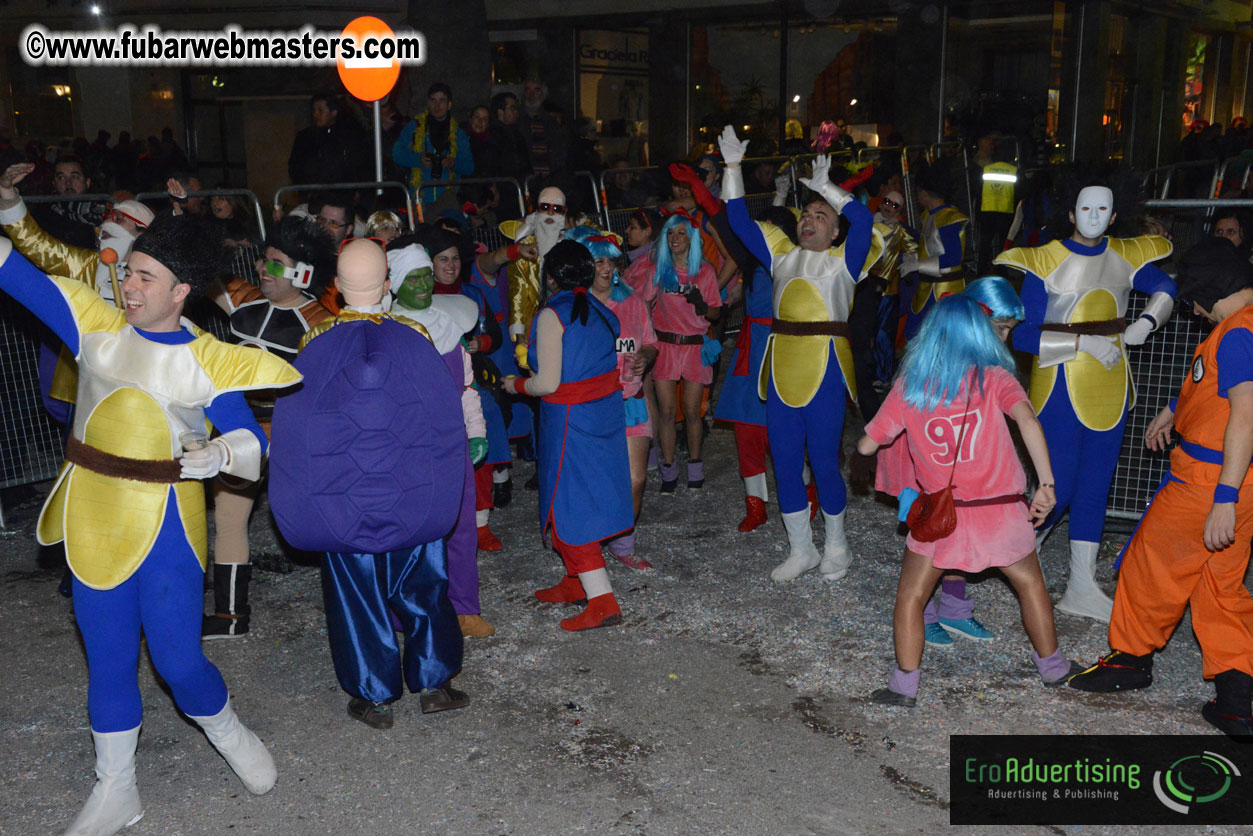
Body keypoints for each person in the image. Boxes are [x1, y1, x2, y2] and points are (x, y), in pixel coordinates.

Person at [0, 216, 294, 834]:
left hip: (169, 526)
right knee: (106, 659)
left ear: (180, 290)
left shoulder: (209, 359)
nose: (127, 286)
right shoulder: (95, 326)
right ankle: (116, 787)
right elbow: (18, 274)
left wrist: (222, 454)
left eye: (144, 277)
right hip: (93, 515)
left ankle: (229, 732)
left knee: (178, 662)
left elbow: (250, 439)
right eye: (128, 272)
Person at [273, 238, 470, 729]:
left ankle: (374, 693)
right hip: (411, 498)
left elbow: (299, 430)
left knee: (357, 594)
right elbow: (443, 422)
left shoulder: (313, 346)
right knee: (424, 585)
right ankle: (434, 682)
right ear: (387, 285)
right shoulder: (416, 338)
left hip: (344, 502)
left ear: (336, 289)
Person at [1067, 237, 1253, 738]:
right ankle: (1238, 700)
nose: (1191, 308)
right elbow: (1216, 387)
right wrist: (1177, 409)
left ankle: (1130, 660)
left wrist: (1223, 499)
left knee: (1150, 563)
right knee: (1220, 585)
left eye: (1193, 297)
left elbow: (1244, 417)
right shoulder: (1244, 327)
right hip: (1239, 478)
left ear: (1212, 289)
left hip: (1209, 480)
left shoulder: (1237, 333)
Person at [859, 294, 1078, 707]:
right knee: (1031, 585)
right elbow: (1028, 421)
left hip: (941, 518)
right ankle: (1053, 667)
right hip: (1001, 512)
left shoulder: (910, 388)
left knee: (911, 597)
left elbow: (869, 445)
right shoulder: (994, 377)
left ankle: (904, 686)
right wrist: (1046, 485)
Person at [994, 179, 1177, 622]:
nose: (1094, 217)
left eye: (1103, 210)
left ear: (1114, 216)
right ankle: (1016, 554)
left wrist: (1148, 321)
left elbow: (1167, 285)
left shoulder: (1126, 255)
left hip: (1112, 385)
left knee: (1097, 484)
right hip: (1059, 384)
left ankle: (1081, 584)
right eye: (1086, 209)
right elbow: (1021, 332)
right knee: (1060, 484)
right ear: (1071, 214)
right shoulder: (1045, 259)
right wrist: (1080, 346)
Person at [720, 125, 880, 583]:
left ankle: (837, 545)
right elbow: (737, 220)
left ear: (834, 234)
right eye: (806, 213)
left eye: (821, 216)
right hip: (782, 369)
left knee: (825, 461)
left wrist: (828, 187)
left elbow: (865, 222)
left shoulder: (846, 261)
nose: (810, 219)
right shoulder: (780, 254)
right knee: (786, 461)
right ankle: (800, 548)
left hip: (827, 368)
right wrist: (733, 168)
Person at [201, 215, 335, 639]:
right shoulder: (244, 300)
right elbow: (196, 269)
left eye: (275, 264)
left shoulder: (320, 322)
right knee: (228, 516)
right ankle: (231, 616)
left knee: (325, 517)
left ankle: (355, 599)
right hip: (241, 427)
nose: (262, 269)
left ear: (304, 273)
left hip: (294, 430)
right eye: (263, 260)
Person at [876, 277, 1026, 648]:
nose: (1005, 338)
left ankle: (954, 610)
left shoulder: (986, 366)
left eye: (1009, 330)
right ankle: (925, 616)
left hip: (956, 468)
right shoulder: (935, 353)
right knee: (934, 532)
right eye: (1000, 328)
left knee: (961, 527)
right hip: (923, 463)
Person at [507, 240, 632, 631]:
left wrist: (513, 385)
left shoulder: (551, 315)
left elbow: (546, 382)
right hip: (604, 415)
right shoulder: (601, 309)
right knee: (591, 495)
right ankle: (574, 581)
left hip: (570, 421)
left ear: (549, 276)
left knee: (570, 504)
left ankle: (602, 599)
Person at [387, 238, 497, 638]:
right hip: (409, 449)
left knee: (462, 528)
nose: (422, 286)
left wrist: (477, 432)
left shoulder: (451, 324)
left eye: (426, 277)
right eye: (413, 278)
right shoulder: (387, 332)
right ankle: (405, 612)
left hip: (453, 445)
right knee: (410, 532)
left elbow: (466, 387)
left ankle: (465, 607)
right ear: (396, 283)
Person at [567, 225, 658, 569]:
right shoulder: (573, 306)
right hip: (591, 408)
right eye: (597, 261)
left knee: (635, 478)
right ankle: (590, 549)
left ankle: (623, 543)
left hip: (630, 403)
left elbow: (650, 343)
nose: (606, 268)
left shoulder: (631, 302)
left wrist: (645, 358)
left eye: (610, 261)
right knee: (595, 480)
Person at [638, 213, 721, 493]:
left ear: (691, 238)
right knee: (667, 411)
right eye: (670, 233)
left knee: (692, 412)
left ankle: (695, 467)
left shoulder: (705, 271)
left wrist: (701, 305)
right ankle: (669, 470)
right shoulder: (658, 270)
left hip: (695, 347)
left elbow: (716, 313)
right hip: (666, 347)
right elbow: (641, 303)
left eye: (681, 233)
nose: (674, 238)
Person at [901, 170, 968, 339]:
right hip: (928, 289)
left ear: (924, 194)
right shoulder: (931, 216)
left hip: (944, 292)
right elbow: (930, 246)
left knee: (943, 339)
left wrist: (917, 265)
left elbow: (953, 258)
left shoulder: (947, 219)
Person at [392, 83, 475, 208]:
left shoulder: (459, 134)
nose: (437, 105)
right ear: (428, 103)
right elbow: (396, 154)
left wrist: (453, 163)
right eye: (433, 100)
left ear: (449, 105)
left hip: (449, 202)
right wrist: (418, 159)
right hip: (420, 200)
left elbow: (469, 168)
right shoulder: (414, 127)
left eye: (442, 101)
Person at [287, 92, 370, 187]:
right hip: (316, 194)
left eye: (320, 110)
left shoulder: (348, 136)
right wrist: (307, 190)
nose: (315, 114)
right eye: (313, 111)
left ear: (334, 112)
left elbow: (358, 164)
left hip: (344, 194)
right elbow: (295, 166)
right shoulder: (305, 137)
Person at [520, 79, 567, 179]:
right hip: (526, 179)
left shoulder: (551, 122)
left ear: (543, 94)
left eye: (536, 90)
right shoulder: (517, 121)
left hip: (549, 177)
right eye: (527, 89)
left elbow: (559, 150)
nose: (531, 94)